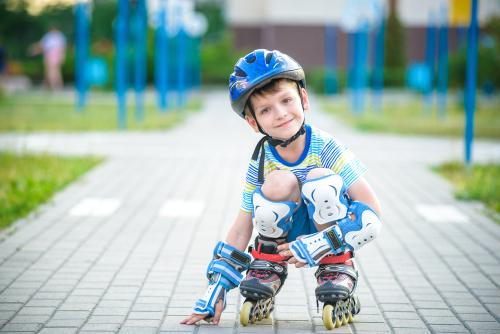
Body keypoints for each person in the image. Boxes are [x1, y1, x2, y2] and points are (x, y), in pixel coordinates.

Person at [181, 49, 382, 329]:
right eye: (266, 110)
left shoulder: (326, 146)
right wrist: (216, 289)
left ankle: (336, 265)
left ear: (304, 99)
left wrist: (322, 243)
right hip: (284, 236)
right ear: (253, 123)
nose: (281, 114)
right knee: (277, 182)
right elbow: (243, 225)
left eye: (287, 100)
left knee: (320, 178)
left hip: (331, 234)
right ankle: (269, 264)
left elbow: (371, 214)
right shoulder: (262, 159)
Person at [31, 26, 66, 90]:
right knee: (51, 71)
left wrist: (62, 56)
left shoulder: (59, 36)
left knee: (53, 71)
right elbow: (42, 45)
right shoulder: (49, 36)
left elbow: (62, 47)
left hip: (54, 54)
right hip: (49, 54)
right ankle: (51, 85)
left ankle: (56, 86)